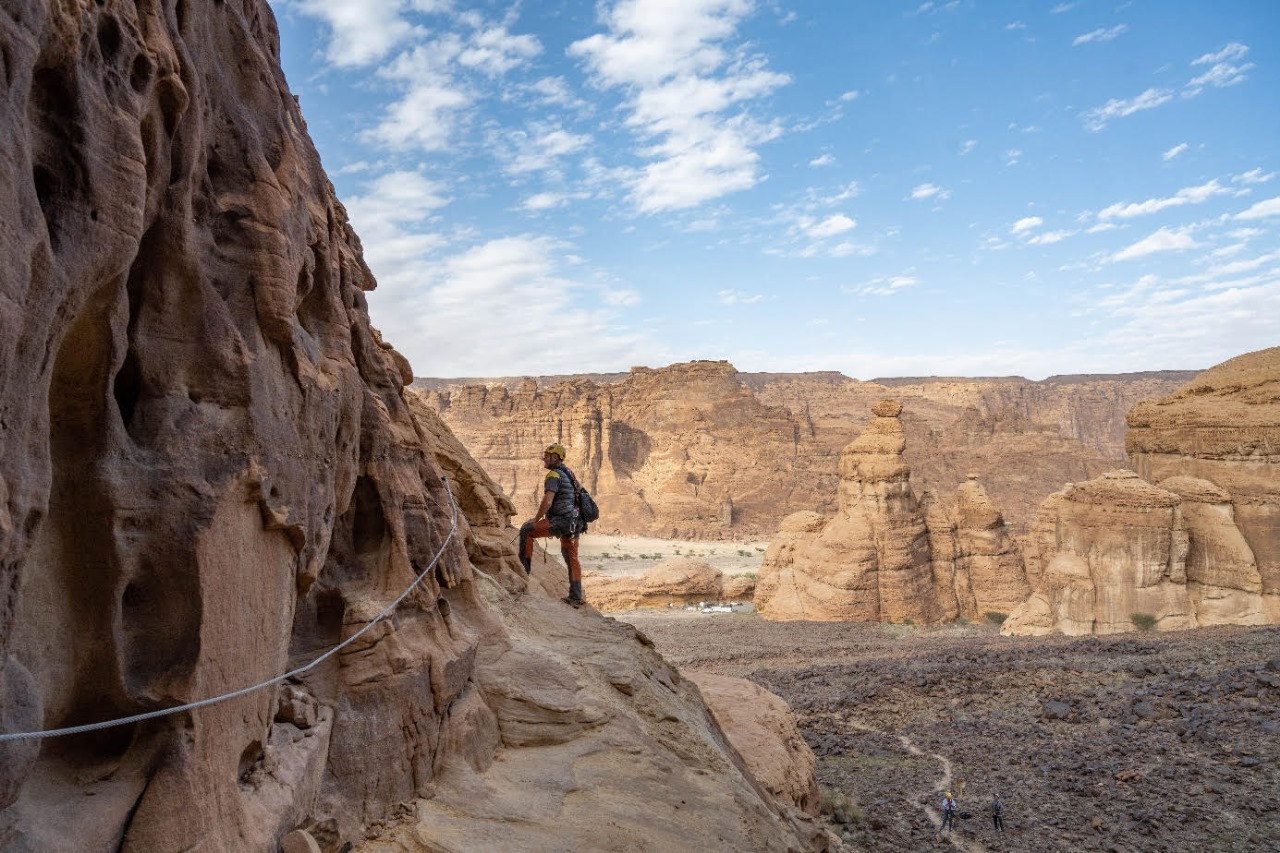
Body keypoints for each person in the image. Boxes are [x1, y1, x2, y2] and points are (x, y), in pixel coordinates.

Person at [518, 443, 585, 607]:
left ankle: (522, 577)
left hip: (561, 521)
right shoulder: (569, 474)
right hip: (575, 523)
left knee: (527, 531)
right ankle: (576, 597)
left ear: (554, 457)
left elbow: (547, 501)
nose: (543, 459)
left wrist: (536, 519)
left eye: (546, 456)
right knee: (571, 557)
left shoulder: (554, 475)